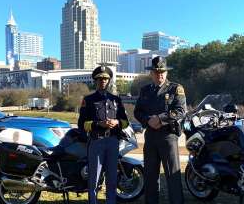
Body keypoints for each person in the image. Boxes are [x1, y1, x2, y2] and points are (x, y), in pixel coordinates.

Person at [134, 56, 187, 204]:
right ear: (151, 73)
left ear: (166, 72)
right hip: (150, 137)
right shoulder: (145, 90)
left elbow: (181, 110)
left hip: (168, 137)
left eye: (162, 71)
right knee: (150, 176)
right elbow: (138, 112)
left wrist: (160, 119)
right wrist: (148, 120)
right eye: (156, 72)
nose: (160, 74)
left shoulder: (176, 88)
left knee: (173, 176)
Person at [78, 65, 129, 204]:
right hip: (96, 142)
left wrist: (117, 122)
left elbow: (126, 122)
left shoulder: (116, 100)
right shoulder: (88, 100)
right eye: (100, 79)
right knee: (93, 179)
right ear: (95, 81)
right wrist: (98, 124)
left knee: (112, 179)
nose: (103, 81)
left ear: (109, 81)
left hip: (112, 142)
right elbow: (81, 124)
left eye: (105, 79)